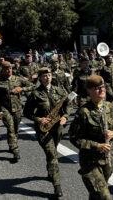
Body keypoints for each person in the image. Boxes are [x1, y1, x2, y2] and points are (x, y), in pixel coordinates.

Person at [69, 75, 113, 200]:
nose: (101, 90)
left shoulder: (109, 106)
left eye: (102, 87)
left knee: (96, 194)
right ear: (89, 91)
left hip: (107, 158)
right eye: (97, 88)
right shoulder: (83, 112)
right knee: (105, 196)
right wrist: (97, 146)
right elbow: (74, 137)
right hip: (90, 161)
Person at [24, 68, 73, 199]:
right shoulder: (35, 94)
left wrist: (66, 116)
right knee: (52, 154)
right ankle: (57, 185)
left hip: (57, 127)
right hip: (43, 129)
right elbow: (27, 112)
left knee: (52, 152)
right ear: (40, 78)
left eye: (49, 75)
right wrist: (38, 119)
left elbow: (68, 105)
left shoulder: (60, 90)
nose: (47, 78)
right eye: (44, 76)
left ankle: (50, 171)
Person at [0, 61, 35, 162]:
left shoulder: (17, 79)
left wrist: (22, 89)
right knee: (11, 128)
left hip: (17, 108)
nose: (9, 70)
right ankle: (16, 151)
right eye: (6, 69)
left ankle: (11, 144)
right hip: (5, 109)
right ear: (2, 70)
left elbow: (32, 86)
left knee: (15, 129)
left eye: (10, 68)